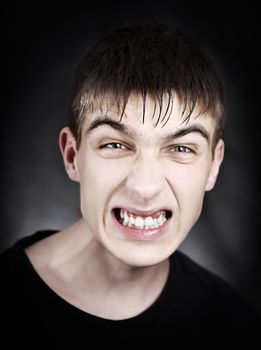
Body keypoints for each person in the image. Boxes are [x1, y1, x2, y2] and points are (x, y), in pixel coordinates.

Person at [1, 20, 259, 345]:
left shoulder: (236, 327)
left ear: (213, 166)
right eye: (115, 145)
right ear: (72, 156)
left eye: (180, 148)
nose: (145, 187)